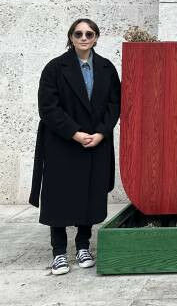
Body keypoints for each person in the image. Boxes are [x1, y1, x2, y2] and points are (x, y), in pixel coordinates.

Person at [29, 18, 121, 275]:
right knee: (58, 195)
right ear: (71, 37)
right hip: (62, 141)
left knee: (90, 193)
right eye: (78, 33)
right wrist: (75, 133)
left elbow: (115, 103)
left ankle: (83, 245)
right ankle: (59, 251)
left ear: (96, 37)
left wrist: (101, 133)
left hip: (96, 141)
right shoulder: (55, 68)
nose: (84, 37)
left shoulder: (106, 67)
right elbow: (48, 107)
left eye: (89, 33)